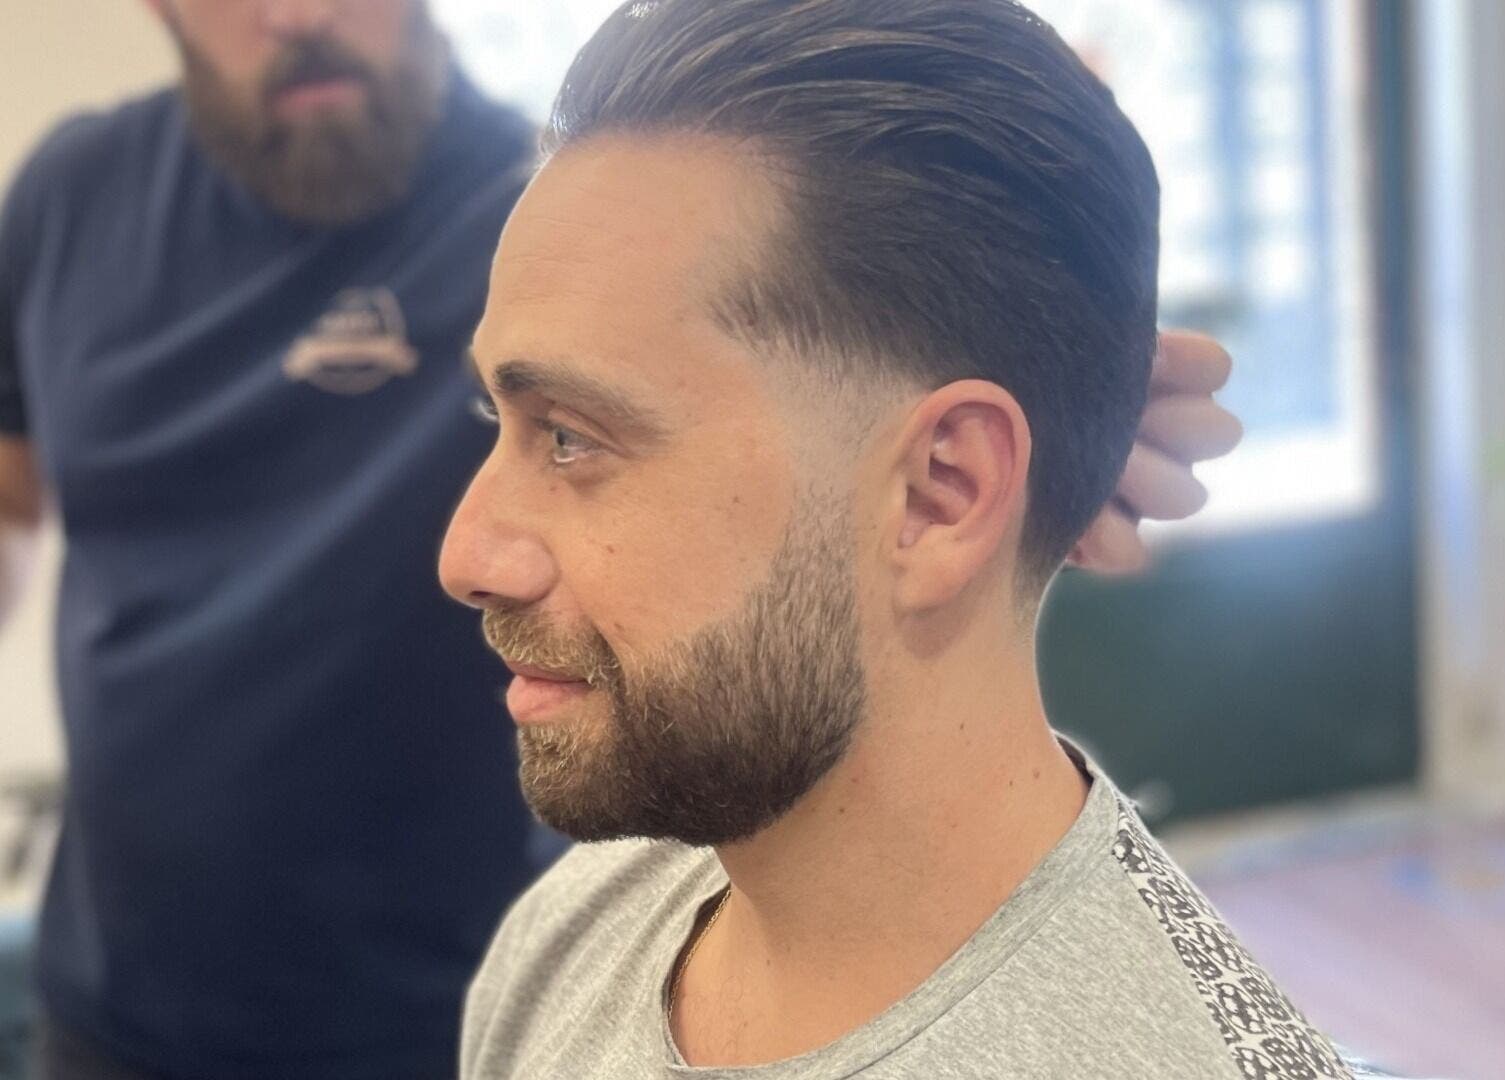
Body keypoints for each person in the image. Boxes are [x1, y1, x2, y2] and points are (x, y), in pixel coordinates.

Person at [0, 0, 1236, 1077]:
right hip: (119, 999)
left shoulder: (554, 218)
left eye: (565, 437)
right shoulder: (67, 204)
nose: (298, 10)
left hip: (435, 1000)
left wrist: (1026, 316)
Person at [441, 2, 1353, 1078]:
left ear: (941, 493)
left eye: (570, 437)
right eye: (496, 424)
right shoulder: (573, 933)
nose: (466, 553)